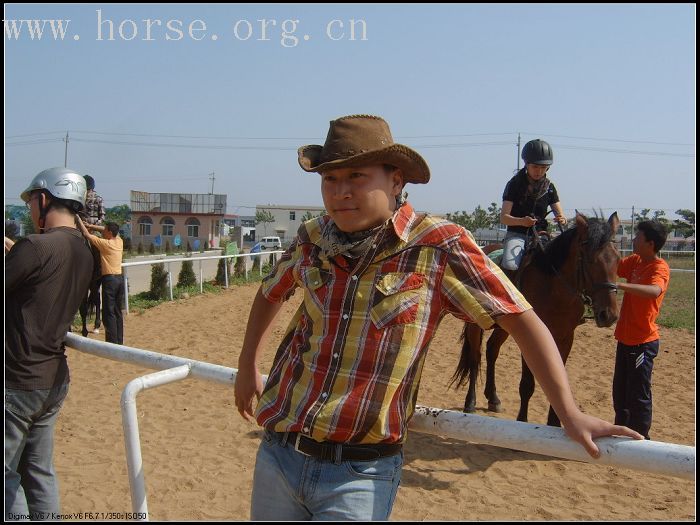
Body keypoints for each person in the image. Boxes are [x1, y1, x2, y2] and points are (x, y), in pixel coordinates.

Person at [233, 115, 642, 521]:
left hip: (359, 473)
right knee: (514, 256)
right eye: (330, 179)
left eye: (356, 176)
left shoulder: (439, 245)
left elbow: (521, 317)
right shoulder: (312, 236)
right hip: (278, 452)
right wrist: (247, 363)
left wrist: (567, 412)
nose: (340, 192)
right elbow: (271, 291)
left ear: (396, 181)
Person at [5, 167, 93, 521]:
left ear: (44, 199)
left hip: (18, 377)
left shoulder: (34, 246)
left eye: (30, 202)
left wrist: (19, 251)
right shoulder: (84, 250)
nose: (28, 209)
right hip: (54, 378)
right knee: (39, 472)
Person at [613, 220, 670, 440]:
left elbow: (654, 291)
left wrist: (622, 286)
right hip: (625, 339)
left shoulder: (659, 267)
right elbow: (615, 265)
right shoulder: (635, 261)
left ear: (650, 243)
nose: (634, 239)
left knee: (639, 393)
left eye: (638, 236)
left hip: (643, 342)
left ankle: (641, 438)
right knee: (620, 391)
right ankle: (621, 432)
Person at [500, 139, 567, 272]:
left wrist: (562, 219)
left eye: (543, 168)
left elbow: (561, 216)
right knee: (510, 265)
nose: (539, 171)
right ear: (526, 164)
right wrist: (522, 222)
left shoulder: (550, 188)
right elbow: (504, 218)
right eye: (535, 167)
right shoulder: (514, 185)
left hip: (541, 236)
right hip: (516, 235)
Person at [75, 218, 125, 345]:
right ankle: (119, 341)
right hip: (119, 280)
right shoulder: (119, 241)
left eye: (105, 230)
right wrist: (91, 224)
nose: (102, 232)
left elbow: (86, 234)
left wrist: (79, 220)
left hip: (110, 281)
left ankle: (112, 343)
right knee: (118, 312)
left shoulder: (104, 244)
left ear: (108, 232)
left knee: (108, 314)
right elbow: (107, 230)